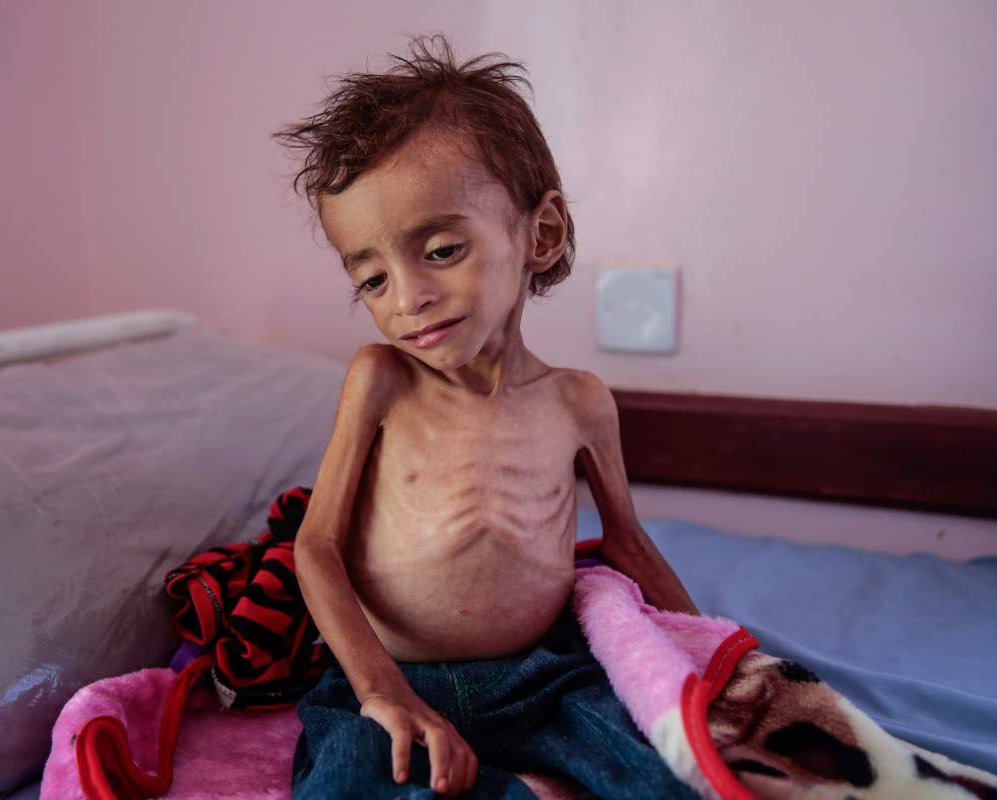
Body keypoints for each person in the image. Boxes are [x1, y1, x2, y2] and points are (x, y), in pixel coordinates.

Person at [273, 34, 699, 799]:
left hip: (545, 678)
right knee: (348, 784)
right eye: (370, 279)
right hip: (396, 679)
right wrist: (379, 692)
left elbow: (629, 546)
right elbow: (318, 547)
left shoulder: (579, 401)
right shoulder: (381, 380)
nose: (406, 299)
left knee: (673, 774)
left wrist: (714, 660)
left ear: (540, 234)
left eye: (439, 249)